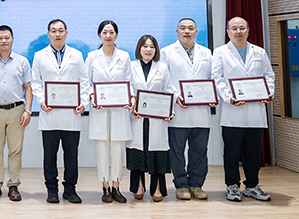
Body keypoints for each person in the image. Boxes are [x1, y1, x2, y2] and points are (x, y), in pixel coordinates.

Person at [211, 17, 275, 202]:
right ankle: (232, 186)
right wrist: (229, 98)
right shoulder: (220, 52)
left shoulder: (259, 52)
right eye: (234, 28)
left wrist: (268, 93)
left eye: (241, 28)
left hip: (256, 111)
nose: (238, 31)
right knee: (231, 153)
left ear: (248, 30)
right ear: (228, 31)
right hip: (233, 111)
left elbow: (268, 75)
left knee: (254, 152)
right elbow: (217, 78)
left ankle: (252, 186)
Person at [30, 19, 90, 204]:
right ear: (48, 34)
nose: (57, 34)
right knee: (49, 156)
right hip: (49, 113)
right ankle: (52, 190)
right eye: (54, 31)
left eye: (61, 30)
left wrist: (83, 103)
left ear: (66, 33)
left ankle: (70, 189)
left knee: (71, 155)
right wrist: (41, 101)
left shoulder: (76, 55)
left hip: (72, 113)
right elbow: (35, 82)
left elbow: (84, 82)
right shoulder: (39, 55)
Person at [160, 18, 216, 200]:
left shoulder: (206, 52)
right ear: (177, 31)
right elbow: (164, 80)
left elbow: (213, 78)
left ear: (196, 32)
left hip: (201, 111)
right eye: (183, 28)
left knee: (199, 151)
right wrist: (176, 95)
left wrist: (212, 95)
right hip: (178, 111)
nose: (187, 31)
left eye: (191, 28)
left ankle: (196, 184)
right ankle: (181, 185)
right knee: (177, 152)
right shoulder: (166, 52)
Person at [0, 25, 32, 202]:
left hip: (17, 110)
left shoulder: (22, 62)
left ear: (12, 39)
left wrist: (28, 110)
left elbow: (28, 88)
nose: (4, 41)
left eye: (7, 37)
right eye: (0, 38)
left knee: (15, 150)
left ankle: (13, 185)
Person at [85, 20, 133, 203]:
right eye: (105, 32)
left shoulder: (124, 56)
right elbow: (85, 83)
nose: (108, 35)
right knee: (102, 150)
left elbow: (129, 82)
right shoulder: (91, 57)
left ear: (116, 35)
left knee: (118, 150)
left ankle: (116, 187)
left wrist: (131, 98)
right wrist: (92, 96)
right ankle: (105, 187)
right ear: (99, 35)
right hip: (100, 111)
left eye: (111, 32)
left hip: (120, 111)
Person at [127, 35, 177, 202]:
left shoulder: (162, 67)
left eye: (152, 46)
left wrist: (170, 111)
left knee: (157, 153)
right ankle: (138, 186)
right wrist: (132, 107)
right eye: (145, 46)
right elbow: (128, 89)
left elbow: (169, 90)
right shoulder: (131, 66)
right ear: (139, 48)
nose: (148, 50)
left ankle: (157, 188)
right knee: (137, 152)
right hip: (138, 117)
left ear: (156, 50)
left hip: (157, 118)